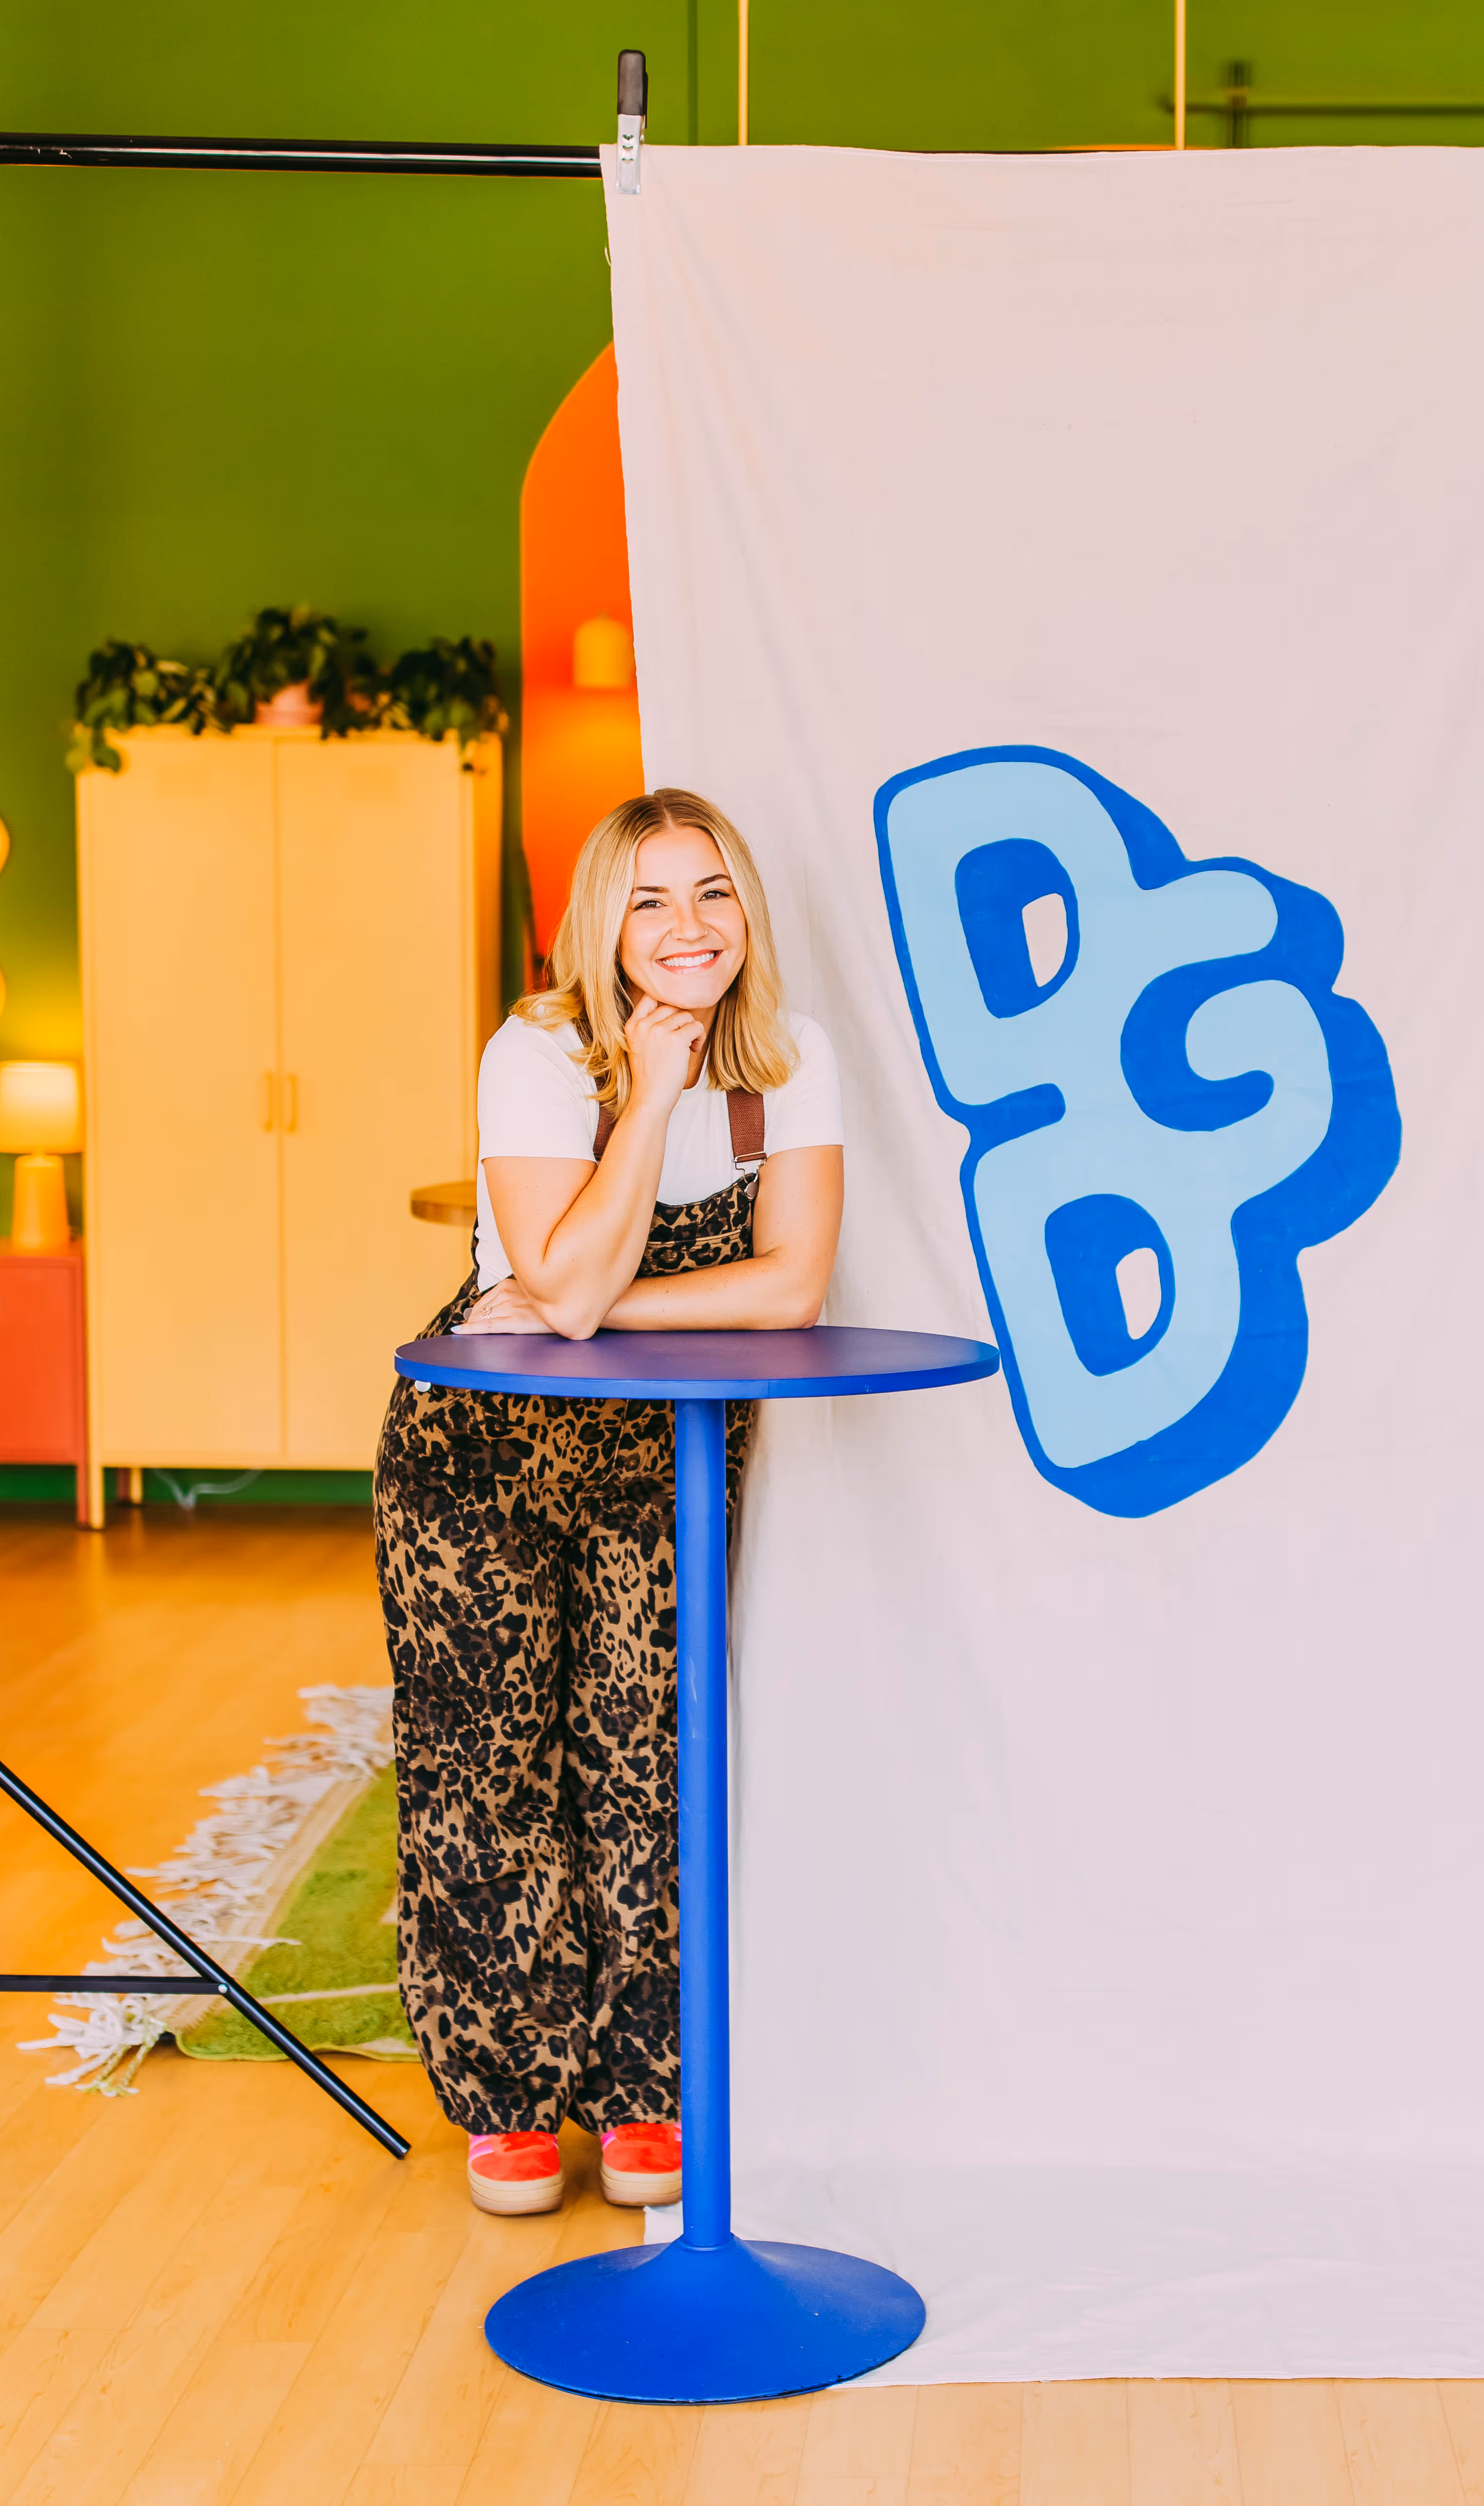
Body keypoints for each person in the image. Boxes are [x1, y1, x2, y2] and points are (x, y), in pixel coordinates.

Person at [374, 789, 844, 2217]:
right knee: (488, 1768)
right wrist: (646, 1092)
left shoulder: (789, 1060)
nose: (687, 927)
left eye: (712, 893)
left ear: (747, 910)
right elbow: (562, 1285)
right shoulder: (535, 1052)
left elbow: (790, 1286)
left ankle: (648, 2085)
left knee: (653, 1763)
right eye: (649, 900)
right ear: (603, 921)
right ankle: (508, 2099)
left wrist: (601, 1303)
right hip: (480, 1457)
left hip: (668, 1457)